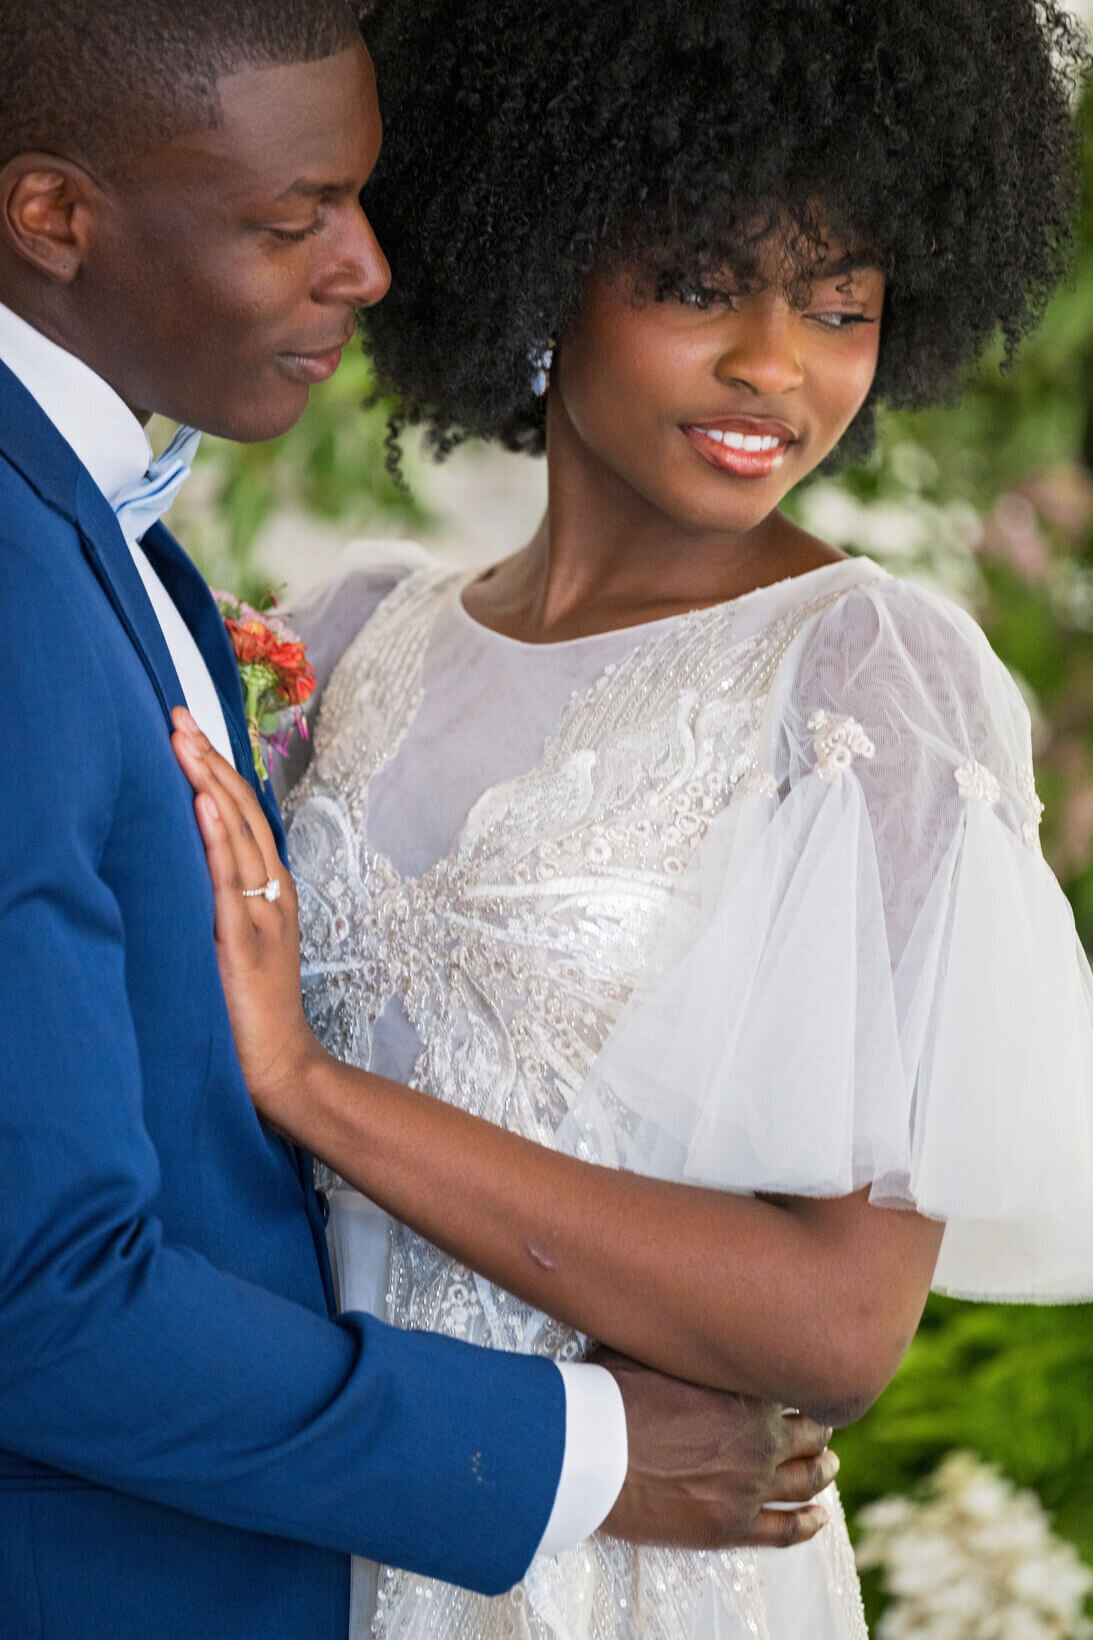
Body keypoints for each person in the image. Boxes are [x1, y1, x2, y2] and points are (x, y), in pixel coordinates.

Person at [172, 0, 1093, 1635]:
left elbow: (832, 1328)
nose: (773, 367)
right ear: (534, 269)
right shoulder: (358, 630)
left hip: (632, 1572)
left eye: (838, 304)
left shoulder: (864, 680)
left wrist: (306, 1087)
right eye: (694, 284)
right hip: (311, 1524)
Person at [0, 5, 842, 1639]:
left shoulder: (101, 533)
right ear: (54, 218)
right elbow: (34, 1291)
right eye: (287, 218)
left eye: (364, 199)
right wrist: (568, 1453)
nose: (367, 268)